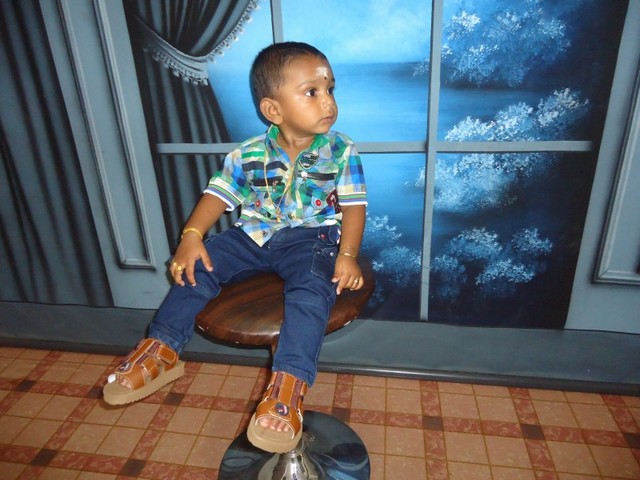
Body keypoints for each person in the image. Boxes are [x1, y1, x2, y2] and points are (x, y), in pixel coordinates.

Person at [103, 41, 367, 454]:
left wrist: (347, 255)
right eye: (312, 92)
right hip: (253, 236)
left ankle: (289, 385)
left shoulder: (341, 150)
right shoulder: (246, 154)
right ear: (273, 110)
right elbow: (218, 196)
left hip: (310, 239)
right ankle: (163, 349)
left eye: (330, 89)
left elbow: (353, 206)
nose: (328, 102)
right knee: (199, 266)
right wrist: (192, 236)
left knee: (311, 291)